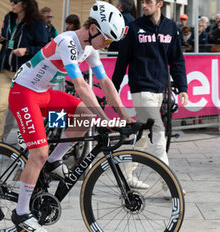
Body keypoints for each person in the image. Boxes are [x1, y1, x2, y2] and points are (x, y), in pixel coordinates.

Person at [9, 1, 133, 231]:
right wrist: (105, 119)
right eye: (106, 39)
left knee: (84, 116)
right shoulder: (68, 41)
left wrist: (125, 116)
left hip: (43, 94)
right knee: (39, 153)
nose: (106, 45)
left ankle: (56, 160)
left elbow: (105, 82)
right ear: (93, 29)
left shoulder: (89, 47)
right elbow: (80, 86)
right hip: (23, 93)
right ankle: (21, 212)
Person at [112, 0, 188, 191]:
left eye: (149, 2)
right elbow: (122, 61)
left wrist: (183, 87)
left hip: (160, 90)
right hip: (141, 89)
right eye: (142, 2)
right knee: (158, 134)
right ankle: (169, 186)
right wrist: (112, 90)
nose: (144, 5)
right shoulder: (133, 28)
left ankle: (127, 174)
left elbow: (177, 59)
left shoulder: (170, 27)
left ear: (160, 3)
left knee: (143, 135)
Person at [0, 0, 48, 159]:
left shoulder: (37, 23)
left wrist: (26, 50)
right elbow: (9, 40)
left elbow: (44, 47)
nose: (12, 4)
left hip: (24, 75)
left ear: (25, 3)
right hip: (5, 70)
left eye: (15, 1)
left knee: (24, 111)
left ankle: (30, 146)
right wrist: (2, 39)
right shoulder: (9, 17)